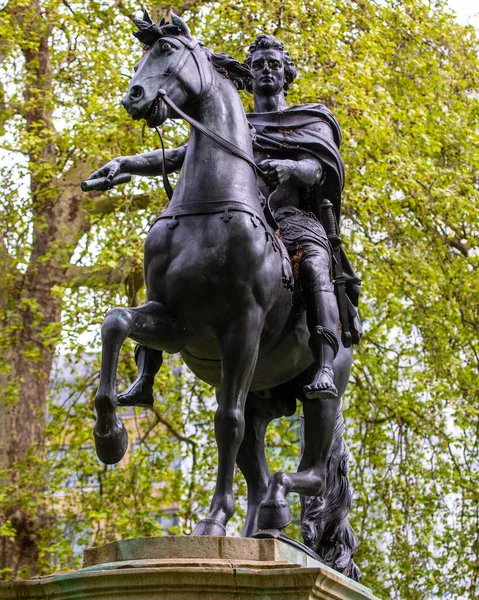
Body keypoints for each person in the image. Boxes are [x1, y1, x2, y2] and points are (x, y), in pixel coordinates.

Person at [87, 34, 361, 405]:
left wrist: (291, 167)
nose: (266, 69)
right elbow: (178, 156)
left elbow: (317, 169)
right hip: (242, 217)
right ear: (249, 73)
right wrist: (126, 164)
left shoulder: (310, 119)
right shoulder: (233, 122)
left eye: (274, 64)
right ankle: (145, 376)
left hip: (291, 219)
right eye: (259, 63)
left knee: (314, 263)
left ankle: (326, 363)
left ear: (286, 74)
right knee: (169, 255)